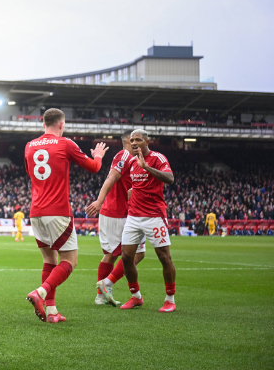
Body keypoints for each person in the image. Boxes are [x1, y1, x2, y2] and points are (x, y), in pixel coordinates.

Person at [24, 108, 107, 323]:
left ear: (44, 124)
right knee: (70, 260)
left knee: (49, 259)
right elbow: (94, 167)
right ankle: (40, 293)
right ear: (61, 124)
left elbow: (30, 173)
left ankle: (51, 312)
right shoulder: (66, 144)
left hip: (35, 212)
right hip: (58, 211)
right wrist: (97, 155)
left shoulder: (29, 146)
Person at [99, 129, 177, 312]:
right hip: (134, 216)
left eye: (138, 140)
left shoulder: (158, 158)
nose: (134, 143)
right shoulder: (132, 162)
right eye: (132, 140)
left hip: (154, 215)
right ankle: (136, 296)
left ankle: (170, 299)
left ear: (147, 141)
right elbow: (133, 188)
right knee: (127, 257)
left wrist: (146, 167)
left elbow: (170, 179)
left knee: (164, 257)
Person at [85, 130, 146, 306]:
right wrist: (99, 200)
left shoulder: (134, 159)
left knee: (119, 254)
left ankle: (102, 293)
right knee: (128, 253)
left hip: (124, 212)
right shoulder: (124, 155)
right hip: (116, 212)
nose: (139, 143)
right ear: (129, 140)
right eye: (136, 140)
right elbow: (112, 177)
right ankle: (106, 285)